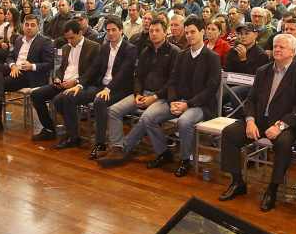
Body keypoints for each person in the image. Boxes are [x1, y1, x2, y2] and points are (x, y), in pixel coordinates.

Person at [218, 33, 296, 212]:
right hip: (259, 120)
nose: (276, 49)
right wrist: (250, 121)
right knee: (229, 132)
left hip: (283, 124)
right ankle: (237, 182)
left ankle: (272, 189)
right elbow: (251, 99)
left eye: (281, 47)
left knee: (284, 143)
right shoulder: (264, 70)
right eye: (275, 46)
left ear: (293, 52)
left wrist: (280, 126)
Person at [133, 16, 221, 177]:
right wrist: (172, 101)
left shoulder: (212, 57)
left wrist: (188, 105)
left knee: (185, 121)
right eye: (187, 33)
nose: (189, 36)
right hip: (178, 100)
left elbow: (210, 89)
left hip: (201, 105)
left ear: (203, 32)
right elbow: (172, 81)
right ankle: (164, 153)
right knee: (148, 117)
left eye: (193, 32)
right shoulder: (182, 55)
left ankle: (184, 159)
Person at [98, 18, 181, 166]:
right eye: (151, 31)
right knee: (114, 110)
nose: (153, 34)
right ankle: (116, 146)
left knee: (146, 117)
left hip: (163, 97)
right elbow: (138, 77)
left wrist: (154, 97)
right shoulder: (145, 52)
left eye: (157, 31)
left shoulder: (174, 52)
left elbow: (173, 82)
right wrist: (137, 94)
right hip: (143, 94)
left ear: (165, 32)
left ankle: (123, 150)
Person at [20, 19, 100, 139]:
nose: (69, 41)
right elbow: (62, 68)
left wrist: (76, 82)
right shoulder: (67, 47)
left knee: (60, 99)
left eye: (72, 38)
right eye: (67, 38)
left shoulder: (93, 47)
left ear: (80, 33)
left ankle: (72, 134)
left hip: (82, 84)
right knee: (36, 95)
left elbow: (92, 72)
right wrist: (58, 78)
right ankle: (49, 129)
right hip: (64, 83)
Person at [0, 15, 54, 133]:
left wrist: (32, 66)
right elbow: (10, 56)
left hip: (31, 75)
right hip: (16, 70)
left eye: (33, 25)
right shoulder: (19, 40)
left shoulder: (44, 41)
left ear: (38, 27)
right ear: (23, 26)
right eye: (27, 25)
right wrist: (12, 66)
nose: (29, 28)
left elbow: (49, 64)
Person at [82, 16, 138, 157]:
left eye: (114, 30)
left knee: (99, 101)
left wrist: (108, 89)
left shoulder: (130, 49)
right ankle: (72, 136)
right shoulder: (105, 47)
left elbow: (123, 73)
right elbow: (93, 68)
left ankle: (100, 144)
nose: (111, 33)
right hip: (103, 85)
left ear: (121, 30)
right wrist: (79, 84)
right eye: (108, 30)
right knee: (69, 96)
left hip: (120, 88)